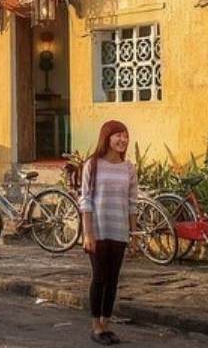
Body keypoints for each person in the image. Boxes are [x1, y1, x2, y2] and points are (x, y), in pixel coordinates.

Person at [80, 120, 138, 346]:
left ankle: (106, 324)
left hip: (119, 231)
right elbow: (86, 200)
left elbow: (132, 203)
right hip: (98, 230)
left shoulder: (129, 168)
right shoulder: (93, 165)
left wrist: (134, 235)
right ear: (107, 138)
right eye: (118, 135)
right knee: (99, 277)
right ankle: (95, 325)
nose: (123, 140)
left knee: (113, 279)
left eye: (125, 135)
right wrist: (88, 233)